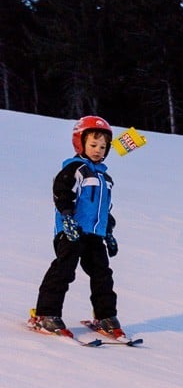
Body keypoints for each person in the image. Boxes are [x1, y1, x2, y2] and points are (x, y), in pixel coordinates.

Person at [29, 116, 125, 340]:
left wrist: (108, 231)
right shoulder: (76, 168)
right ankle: (46, 313)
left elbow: (103, 209)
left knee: (102, 274)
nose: (98, 150)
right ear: (80, 143)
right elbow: (61, 192)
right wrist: (67, 217)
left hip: (94, 235)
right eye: (93, 145)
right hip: (71, 232)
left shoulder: (105, 178)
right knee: (64, 269)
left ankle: (105, 317)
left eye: (103, 147)